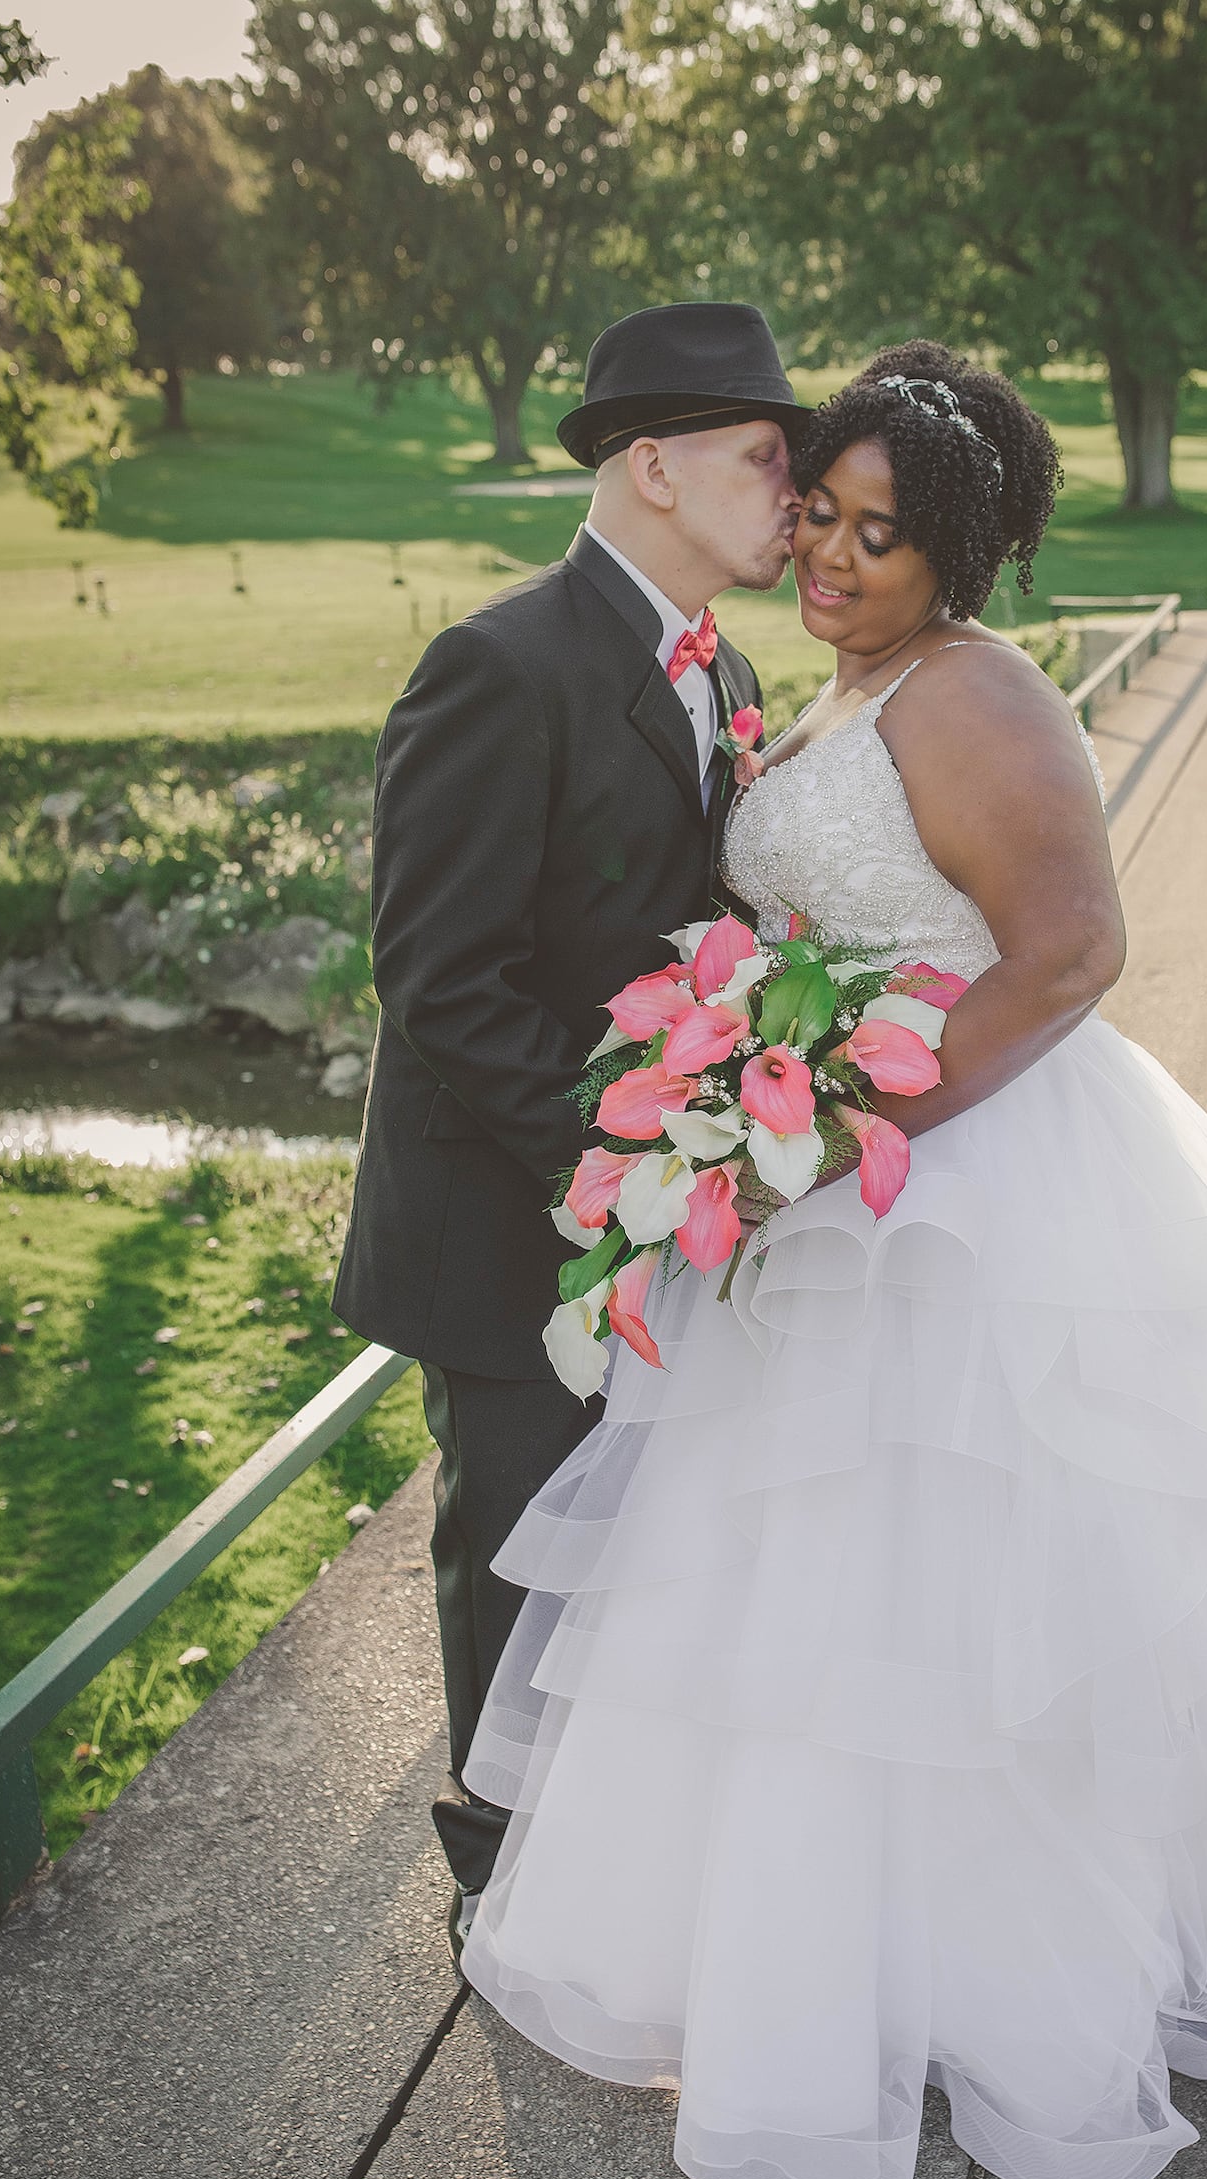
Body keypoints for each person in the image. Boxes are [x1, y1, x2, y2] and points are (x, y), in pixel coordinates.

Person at [458, 343, 1207, 2179]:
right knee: (819, 1596)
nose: (834, 557)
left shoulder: (973, 694)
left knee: (990, 1584)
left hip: (967, 1178)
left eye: (883, 539)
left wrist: (856, 1130)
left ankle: (1023, 1970)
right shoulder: (843, 684)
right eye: (822, 512)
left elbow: (1070, 953)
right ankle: (838, 1943)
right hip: (837, 1180)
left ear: (954, 562)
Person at [332, 303, 807, 1948]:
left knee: (640, 1541)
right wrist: (627, 1173)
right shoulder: (498, 662)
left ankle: (619, 1859)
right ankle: (506, 1885)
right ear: (654, 463)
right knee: (519, 1551)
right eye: (767, 458)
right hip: (507, 1219)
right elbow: (440, 984)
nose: (794, 492)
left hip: (662, 1202)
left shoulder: (727, 667)